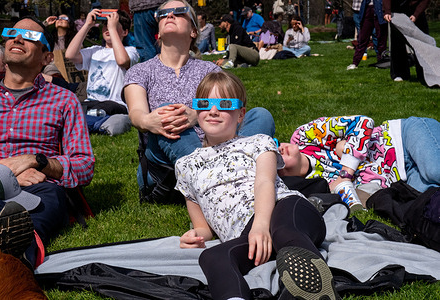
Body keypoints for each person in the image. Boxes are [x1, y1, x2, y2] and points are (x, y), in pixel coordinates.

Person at [176, 72, 339, 300]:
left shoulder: (258, 142)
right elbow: (203, 225)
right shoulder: (186, 165)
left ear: (240, 114)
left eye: (224, 104)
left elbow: (264, 182)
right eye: (204, 103)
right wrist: (195, 236)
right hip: (248, 237)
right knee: (212, 257)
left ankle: (312, 293)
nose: (213, 111)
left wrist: (261, 225)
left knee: (285, 232)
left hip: (285, 209)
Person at [123, 0, 274, 202]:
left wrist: (197, 115)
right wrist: (147, 121)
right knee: (167, 114)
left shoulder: (209, 71)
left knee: (260, 115)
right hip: (164, 167)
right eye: (164, 14)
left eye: (178, 12)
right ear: (158, 30)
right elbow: (136, 113)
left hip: (214, 146)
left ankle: (217, 174)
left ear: (194, 30)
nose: (170, 15)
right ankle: (220, 181)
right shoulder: (140, 71)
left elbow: (229, 111)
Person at [0, 16, 94, 268]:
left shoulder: (64, 101)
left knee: (46, 201)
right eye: (12, 33)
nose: (18, 38)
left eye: (31, 36)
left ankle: (20, 248)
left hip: (36, 187)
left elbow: (84, 164)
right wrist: (2, 174)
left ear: (47, 58)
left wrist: (36, 162)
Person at [277, 116, 440, 207]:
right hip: (404, 176)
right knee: (430, 202)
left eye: (275, 145)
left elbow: (363, 122)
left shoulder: (303, 136)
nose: (281, 148)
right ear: (281, 174)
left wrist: (346, 171)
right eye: (277, 156)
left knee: (435, 171)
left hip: (402, 138)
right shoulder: (316, 187)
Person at [66, 9, 139, 118]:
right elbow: (70, 55)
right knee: (70, 105)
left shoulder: (131, 51)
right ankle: (87, 115)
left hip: (116, 103)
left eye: (113, 24)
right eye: (105, 25)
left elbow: (122, 61)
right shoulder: (95, 51)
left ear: (125, 32)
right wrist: (87, 25)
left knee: (106, 108)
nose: (108, 28)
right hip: (91, 101)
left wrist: (112, 28)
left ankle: (85, 116)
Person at [383, 0, 430, 82]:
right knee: (397, 42)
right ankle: (399, 73)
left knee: (422, 43)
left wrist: (416, 14)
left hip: (415, 9)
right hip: (397, 10)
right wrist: (387, 11)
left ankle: (424, 73)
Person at [346, 0, 387, 70]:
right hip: (367, 8)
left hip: (380, 8)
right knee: (363, 38)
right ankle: (355, 62)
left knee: (381, 38)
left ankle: (381, 61)